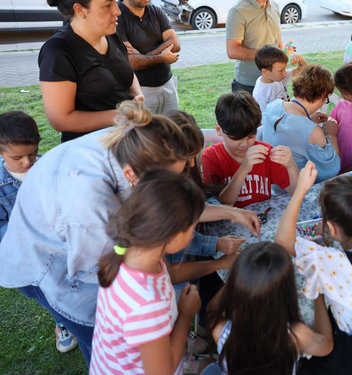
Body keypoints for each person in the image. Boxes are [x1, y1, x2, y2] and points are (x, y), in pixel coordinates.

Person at [0, 101, 261, 366]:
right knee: (97, 334)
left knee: (115, 345)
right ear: (133, 176)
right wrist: (182, 317)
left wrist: (231, 214)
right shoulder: (91, 211)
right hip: (44, 264)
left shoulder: (134, 146)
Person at [274, 163, 352, 374]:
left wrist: (300, 189)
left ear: (330, 228)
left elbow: (282, 240)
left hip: (348, 364)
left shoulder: (333, 262)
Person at [89, 170, 207, 374]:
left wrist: (221, 263)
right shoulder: (147, 305)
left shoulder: (133, 252)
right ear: (172, 237)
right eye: (193, 227)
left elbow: (169, 274)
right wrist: (186, 314)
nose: (193, 233)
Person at [0, 111, 79, 354]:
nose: (27, 162)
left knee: (71, 281)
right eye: (17, 157)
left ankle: (79, 311)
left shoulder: (50, 167)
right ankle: (62, 321)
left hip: (63, 242)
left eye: (32, 154)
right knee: (49, 290)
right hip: (29, 254)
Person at [203, 242, 334, 375]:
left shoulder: (220, 330)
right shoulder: (296, 335)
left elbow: (211, 310)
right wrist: (318, 293)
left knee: (206, 365)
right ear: (288, 291)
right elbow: (326, 345)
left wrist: (238, 280)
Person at [40, 0, 144, 143]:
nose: (117, 11)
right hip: (91, 149)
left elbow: (127, 73)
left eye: (115, 2)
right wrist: (120, 115)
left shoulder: (112, 36)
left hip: (125, 141)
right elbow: (60, 119)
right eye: (107, 6)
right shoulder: (58, 50)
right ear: (80, 9)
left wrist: (138, 94)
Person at [202, 92, 299, 207]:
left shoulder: (265, 152)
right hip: (229, 222)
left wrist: (291, 166)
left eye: (251, 136)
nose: (244, 144)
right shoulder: (212, 156)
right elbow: (221, 206)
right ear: (219, 130)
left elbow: (296, 193)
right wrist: (244, 169)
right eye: (236, 139)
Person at [258, 64, 341, 182]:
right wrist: (332, 135)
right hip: (292, 189)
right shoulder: (313, 132)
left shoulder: (273, 105)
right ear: (322, 94)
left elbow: (290, 128)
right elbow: (331, 170)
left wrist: (308, 120)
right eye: (326, 98)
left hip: (267, 182)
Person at [117, 0, 181, 115]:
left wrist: (142, 56)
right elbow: (130, 62)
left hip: (168, 85)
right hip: (140, 91)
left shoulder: (155, 10)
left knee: (172, 130)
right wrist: (161, 57)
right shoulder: (117, 16)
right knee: (144, 132)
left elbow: (175, 44)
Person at [226, 0, 282, 93]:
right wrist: (268, 55)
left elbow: (277, 38)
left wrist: (281, 58)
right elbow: (232, 51)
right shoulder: (237, 11)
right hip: (249, 85)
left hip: (274, 81)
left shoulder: (275, 6)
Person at [253, 45, 307, 111]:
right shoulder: (261, 94)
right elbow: (263, 118)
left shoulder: (278, 77)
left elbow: (301, 70)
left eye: (284, 69)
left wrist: (301, 61)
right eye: (281, 70)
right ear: (266, 72)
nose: (284, 73)